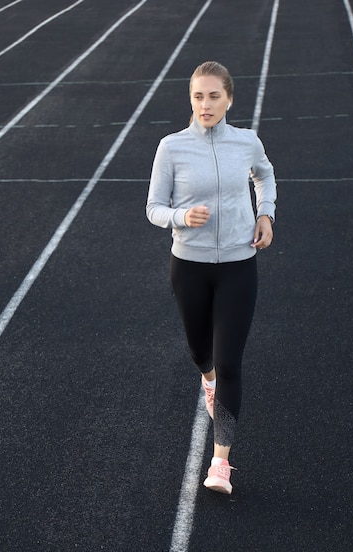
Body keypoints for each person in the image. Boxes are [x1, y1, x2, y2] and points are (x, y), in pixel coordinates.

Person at [146, 61, 276, 495]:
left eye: (214, 96)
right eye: (198, 96)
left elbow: (265, 173)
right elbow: (154, 208)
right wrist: (182, 216)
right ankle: (207, 377)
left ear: (229, 99)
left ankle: (220, 462)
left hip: (240, 263)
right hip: (190, 266)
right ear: (191, 99)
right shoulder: (172, 148)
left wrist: (265, 213)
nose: (205, 104)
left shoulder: (246, 142)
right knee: (201, 351)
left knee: (231, 362)